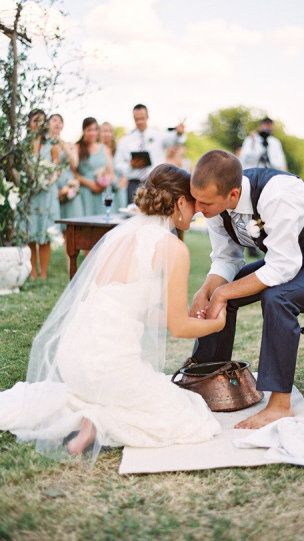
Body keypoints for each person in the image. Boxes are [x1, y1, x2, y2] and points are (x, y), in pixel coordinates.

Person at [0, 164, 224, 460]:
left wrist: (182, 315)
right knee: (190, 416)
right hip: (109, 369)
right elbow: (178, 328)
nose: (196, 213)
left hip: (73, 362)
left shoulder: (119, 236)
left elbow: (129, 306)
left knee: (149, 396)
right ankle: (98, 421)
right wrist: (216, 323)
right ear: (181, 202)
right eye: (194, 205)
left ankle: (90, 414)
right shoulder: (173, 248)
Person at [189, 150, 304, 429]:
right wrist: (208, 289)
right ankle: (204, 377)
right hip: (292, 261)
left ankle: (279, 405)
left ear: (233, 195)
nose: (197, 207)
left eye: (204, 202)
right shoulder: (214, 203)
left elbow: (282, 267)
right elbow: (226, 258)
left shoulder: (278, 193)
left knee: (277, 297)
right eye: (195, 199)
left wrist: (224, 292)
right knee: (220, 292)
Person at [114, 104, 186, 204]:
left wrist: (179, 133)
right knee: (133, 215)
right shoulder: (125, 140)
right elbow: (117, 164)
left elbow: (174, 140)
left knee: (155, 215)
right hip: (133, 185)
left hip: (155, 183)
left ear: (147, 117)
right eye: (136, 119)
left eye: (142, 118)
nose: (139, 122)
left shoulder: (158, 135)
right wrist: (130, 166)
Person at [26, 109, 60, 280]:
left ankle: (44, 273)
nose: (38, 124)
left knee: (45, 234)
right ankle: (32, 272)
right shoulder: (23, 146)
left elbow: (56, 169)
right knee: (31, 233)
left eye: (41, 121)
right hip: (30, 194)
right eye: (35, 120)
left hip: (47, 193)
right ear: (29, 123)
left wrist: (47, 181)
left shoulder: (51, 145)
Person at [47, 114, 84, 234]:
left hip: (69, 184)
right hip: (52, 185)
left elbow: (75, 163)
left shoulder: (68, 144)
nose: (57, 123)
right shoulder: (45, 145)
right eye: (54, 120)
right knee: (56, 225)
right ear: (48, 124)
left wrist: (61, 143)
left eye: (60, 121)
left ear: (63, 125)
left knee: (72, 226)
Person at [74, 117, 114, 216]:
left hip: (103, 192)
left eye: (95, 129)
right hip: (85, 192)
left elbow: (111, 173)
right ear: (84, 131)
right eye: (89, 130)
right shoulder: (77, 147)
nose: (93, 133)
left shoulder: (104, 148)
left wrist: (105, 181)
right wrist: (91, 185)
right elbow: (73, 173)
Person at [99, 121, 128, 210]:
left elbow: (126, 165)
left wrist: (124, 178)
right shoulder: (98, 150)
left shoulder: (119, 149)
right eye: (104, 131)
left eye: (109, 131)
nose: (106, 134)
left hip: (119, 186)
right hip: (104, 187)